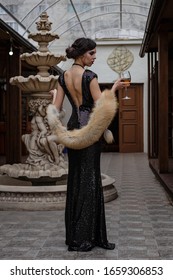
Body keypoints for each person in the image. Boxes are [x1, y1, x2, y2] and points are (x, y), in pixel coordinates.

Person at [48, 37, 129, 251]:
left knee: (76, 179)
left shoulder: (63, 76)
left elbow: (55, 109)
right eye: (92, 53)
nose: (94, 57)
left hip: (74, 128)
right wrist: (114, 88)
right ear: (82, 54)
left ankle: (75, 236)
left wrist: (55, 95)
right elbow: (101, 107)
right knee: (91, 180)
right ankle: (89, 237)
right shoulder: (90, 76)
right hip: (90, 132)